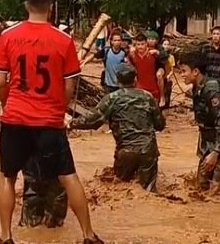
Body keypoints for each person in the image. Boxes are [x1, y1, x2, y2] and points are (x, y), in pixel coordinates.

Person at [0, 0, 102, 244]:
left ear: (26, 5)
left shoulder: (8, 36)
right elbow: (69, 88)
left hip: (15, 117)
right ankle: (88, 236)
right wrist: (58, 109)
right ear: (51, 7)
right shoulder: (63, 40)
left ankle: (6, 238)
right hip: (49, 121)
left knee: (8, 176)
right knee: (68, 175)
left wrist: (8, 105)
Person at [70, 63, 166, 191]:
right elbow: (160, 125)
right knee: (148, 192)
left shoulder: (111, 99)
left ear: (117, 80)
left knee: (121, 189)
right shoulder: (147, 97)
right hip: (148, 151)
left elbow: (93, 121)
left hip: (125, 152)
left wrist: (71, 123)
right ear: (135, 79)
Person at [180, 52, 220, 191]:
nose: (182, 75)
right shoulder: (197, 88)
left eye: (184, 71)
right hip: (206, 141)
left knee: (217, 188)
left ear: (195, 71)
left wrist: (216, 152)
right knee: (201, 185)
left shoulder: (210, 89)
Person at [127, 33, 163, 103]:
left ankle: (162, 97)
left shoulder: (153, 54)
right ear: (135, 45)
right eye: (138, 44)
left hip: (153, 90)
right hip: (139, 89)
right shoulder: (132, 55)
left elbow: (164, 62)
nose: (140, 47)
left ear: (146, 44)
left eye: (142, 44)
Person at [161, 38, 176, 109]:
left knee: (167, 93)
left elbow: (172, 70)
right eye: (164, 44)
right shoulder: (159, 55)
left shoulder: (171, 57)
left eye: (167, 44)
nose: (166, 46)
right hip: (160, 78)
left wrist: (169, 76)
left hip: (167, 78)